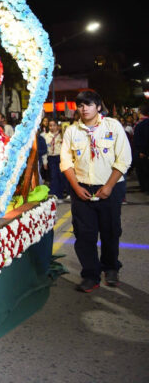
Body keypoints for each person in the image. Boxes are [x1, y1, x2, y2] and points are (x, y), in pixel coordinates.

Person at [60, 90, 131, 292]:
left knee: (110, 231)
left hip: (110, 187)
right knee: (84, 234)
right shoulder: (72, 131)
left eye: (89, 104)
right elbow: (66, 162)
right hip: (82, 189)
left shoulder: (113, 126)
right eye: (80, 105)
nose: (84, 109)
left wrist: (109, 186)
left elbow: (124, 159)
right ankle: (91, 274)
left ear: (98, 106)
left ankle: (110, 268)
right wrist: (75, 187)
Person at [43, 119, 68, 200]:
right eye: (50, 125)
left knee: (62, 175)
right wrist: (45, 162)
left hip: (60, 157)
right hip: (51, 158)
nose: (52, 127)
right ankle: (55, 194)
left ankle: (62, 193)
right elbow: (45, 150)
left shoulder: (62, 135)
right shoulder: (46, 136)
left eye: (54, 125)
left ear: (57, 126)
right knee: (53, 176)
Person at [134, 103, 149, 193]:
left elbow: (145, 138)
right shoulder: (141, 123)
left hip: (142, 152)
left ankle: (145, 187)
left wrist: (143, 151)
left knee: (144, 171)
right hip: (140, 150)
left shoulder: (144, 123)